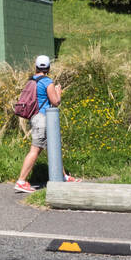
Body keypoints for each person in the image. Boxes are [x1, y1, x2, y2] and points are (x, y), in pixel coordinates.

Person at [14, 54, 81, 193]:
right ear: (49, 68)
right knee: (35, 150)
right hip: (43, 119)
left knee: (54, 147)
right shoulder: (47, 81)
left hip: (35, 117)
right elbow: (55, 102)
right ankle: (21, 180)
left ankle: (63, 176)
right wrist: (58, 92)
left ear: (36, 67)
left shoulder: (31, 80)